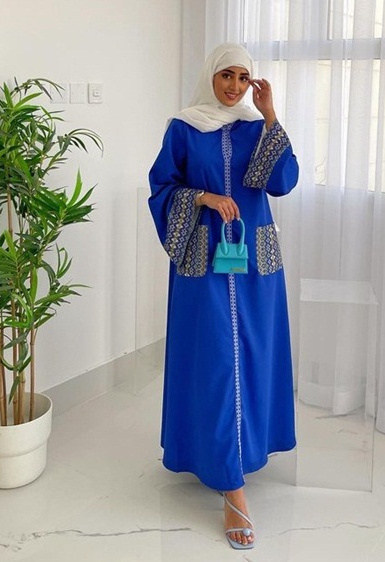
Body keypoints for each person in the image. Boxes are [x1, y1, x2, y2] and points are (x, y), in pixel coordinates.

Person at [148, 42, 299, 550]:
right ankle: (231, 486)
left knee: (251, 358)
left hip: (254, 263)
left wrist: (270, 116)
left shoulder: (257, 128)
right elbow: (161, 188)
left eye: (242, 77)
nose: (234, 86)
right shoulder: (184, 127)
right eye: (225, 76)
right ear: (210, 77)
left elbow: (282, 182)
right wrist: (203, 197)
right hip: (204, 260)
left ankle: (242, 452)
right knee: (215, 362)